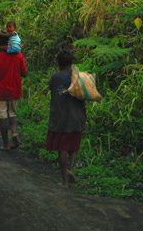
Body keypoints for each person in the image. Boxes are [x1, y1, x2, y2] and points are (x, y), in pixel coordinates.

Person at [46, 49, 86, 187]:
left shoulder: (55, 78)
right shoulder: (78, 77)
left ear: (59, 63)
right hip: (77, 117)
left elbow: (51, 89)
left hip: (60, 118)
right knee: (74, 146)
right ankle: (71, 169)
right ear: (71, 62)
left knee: (62, 148)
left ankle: (64, 182)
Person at [0, 31, 28, 150]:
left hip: (1, 92)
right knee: (13, 114)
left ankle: (5, 144)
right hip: (15, 91)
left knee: (3, 117)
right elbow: (25, 73)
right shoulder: (19, 56)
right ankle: (14, 133)